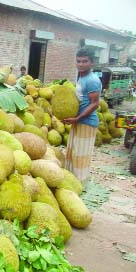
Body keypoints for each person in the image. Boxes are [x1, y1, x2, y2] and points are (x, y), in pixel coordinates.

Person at [63, 47, 101, 186]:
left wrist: (78, 118)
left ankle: (80, 184)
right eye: (78, 61)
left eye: (84, 61)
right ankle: (72, 181)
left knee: (81, 156)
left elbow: (95, 104)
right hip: (79, 120)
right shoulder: (82, 77)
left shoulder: (92, 80)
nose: (80, 64)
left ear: (91, 62)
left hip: (87, 122)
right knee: (73, 153)